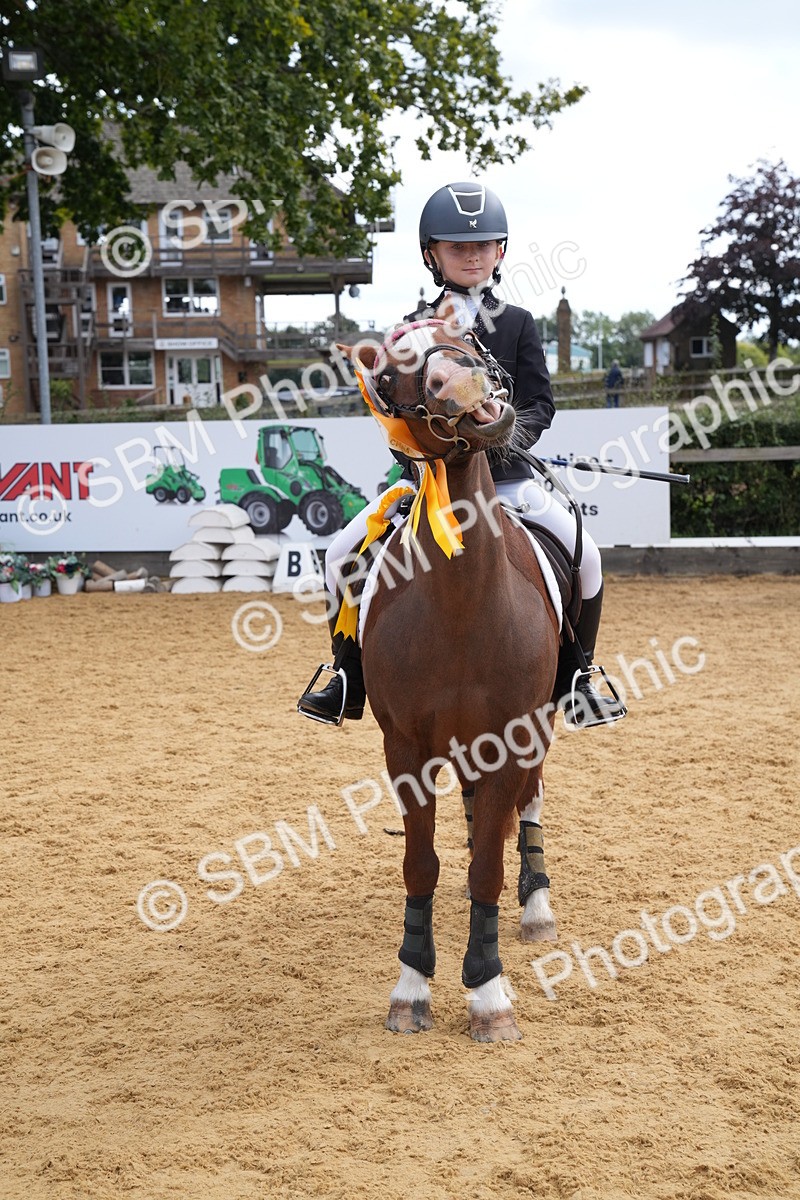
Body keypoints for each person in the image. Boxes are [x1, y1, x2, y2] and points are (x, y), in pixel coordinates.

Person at [297, 180, 626, 729]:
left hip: (510, 483)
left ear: (501, 251)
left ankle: (577, 676)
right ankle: (347, 676)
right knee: (338, 555)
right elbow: (395, 413)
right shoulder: (410, 332)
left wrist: (505, 438)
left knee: (586, 555)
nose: (471, 255)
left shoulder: (518, 322)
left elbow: (539, 402)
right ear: (433, 255)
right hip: (430, 485)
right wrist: (419, 458)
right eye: (457, 247)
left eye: (483, 245)